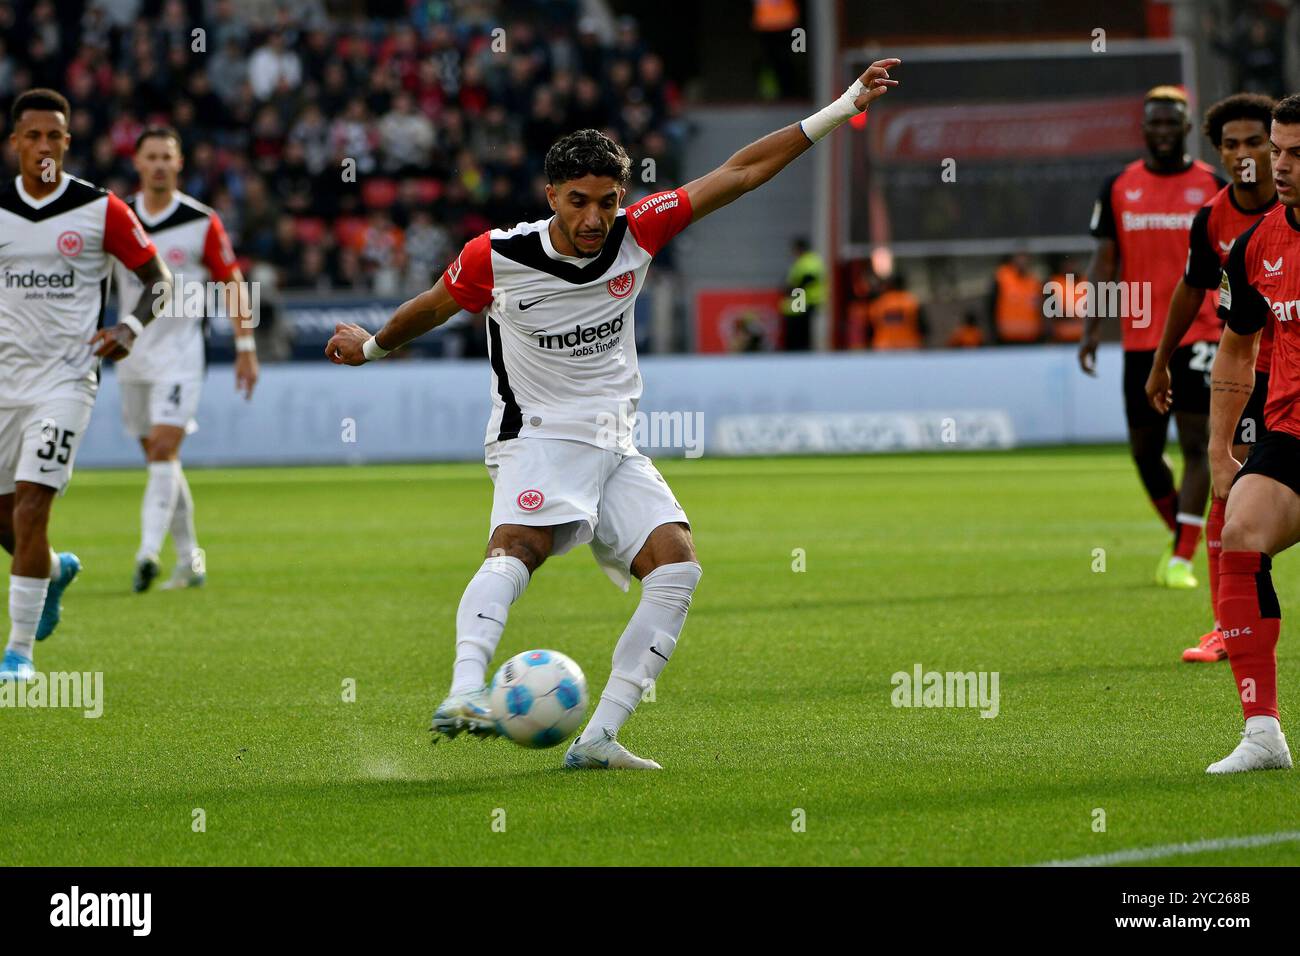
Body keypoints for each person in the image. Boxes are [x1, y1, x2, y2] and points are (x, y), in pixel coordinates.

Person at [325, 60, 902, 769]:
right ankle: (466, 689)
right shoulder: (499, 256)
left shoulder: (640, 231)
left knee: (677, 566)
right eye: (577, 201)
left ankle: (598, 738)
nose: (594, 218)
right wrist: (374, 347)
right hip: (534, 433)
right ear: (551, 196)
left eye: (606, 200)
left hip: (614, 441)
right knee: (519, 547)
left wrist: (843, 105)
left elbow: (743, 172)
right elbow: (435, 306)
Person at [0, 89, 172, 681]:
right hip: (3, 385)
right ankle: (53, 568)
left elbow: (159, 281)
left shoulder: (101, 211)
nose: (44, 146)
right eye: (33, 135)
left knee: (30, 506)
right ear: (15, 143)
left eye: (55, 136)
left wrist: (127, 327)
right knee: (8, 517)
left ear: (68, 143)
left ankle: (18, 653)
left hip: (66, 382)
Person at [1144, 93, 1277, 662]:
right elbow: (1193, 287)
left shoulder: (1292, 211)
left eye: (1255, 142)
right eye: (1231, 144)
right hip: (1253, 373)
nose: (1243, 154)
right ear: (1218, 153)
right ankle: (1229, 625)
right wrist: (1161, 359)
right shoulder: (1214, 219)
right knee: (1229, 486)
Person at [1079, 86, 1226, 589]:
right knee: (1145, 451)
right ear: (1144, 130)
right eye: (1154, 123)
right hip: (1141, 337)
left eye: (1172, 123)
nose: (1163, 131)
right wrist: (1092, 326)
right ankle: (1181, 535)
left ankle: (1183, 558)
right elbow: (1104, 261)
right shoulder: (1118, 186)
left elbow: (1234, 258)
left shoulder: (1213, 185)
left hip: (1199, 331)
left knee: (1196, 443)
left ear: (1186, 129)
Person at [113, 127, 259, 592]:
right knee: (159, 458)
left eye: (166, 157)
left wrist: (245, 348)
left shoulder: (202, 221)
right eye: (150, 157)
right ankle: (190, 558)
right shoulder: (118, 218)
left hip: (181, 356)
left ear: (179, 164)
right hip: (131, 354)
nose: (158, 164)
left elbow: (234, 284)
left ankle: (146, 553)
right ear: (137, 163)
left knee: (162, 448)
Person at [1203, 93, 1300, 774]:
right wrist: (1219, 448)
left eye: (1297, 153)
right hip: (1289, 432)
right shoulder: (1255, 244)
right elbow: (1236, 349)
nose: (1279, 164)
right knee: (1238, 536)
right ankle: (1262, 731)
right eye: (1278, 149)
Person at [780, 236, 824, 351]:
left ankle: (799, 353)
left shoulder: (809, 260)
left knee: (798, 330)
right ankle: (798, 351)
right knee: (797, 329)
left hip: (804, 300)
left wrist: (792, 289)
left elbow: (809, 278)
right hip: (800, 300)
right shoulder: (803, 261)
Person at [987, 253, 1043, 344]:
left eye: (1025, 257)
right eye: (1019, 257)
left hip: (1031, 338)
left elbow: (1040, 308)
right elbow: (990, 306)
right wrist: (993, 332)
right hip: (1006, 338)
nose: (1022, 261)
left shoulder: (1034, 281)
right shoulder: (1002, 278)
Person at [863, 273, 925, 349]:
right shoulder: (912, 302)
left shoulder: (878, 303)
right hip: (909, 347)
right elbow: (923, 327)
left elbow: (869, 329)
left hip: (883, 347)